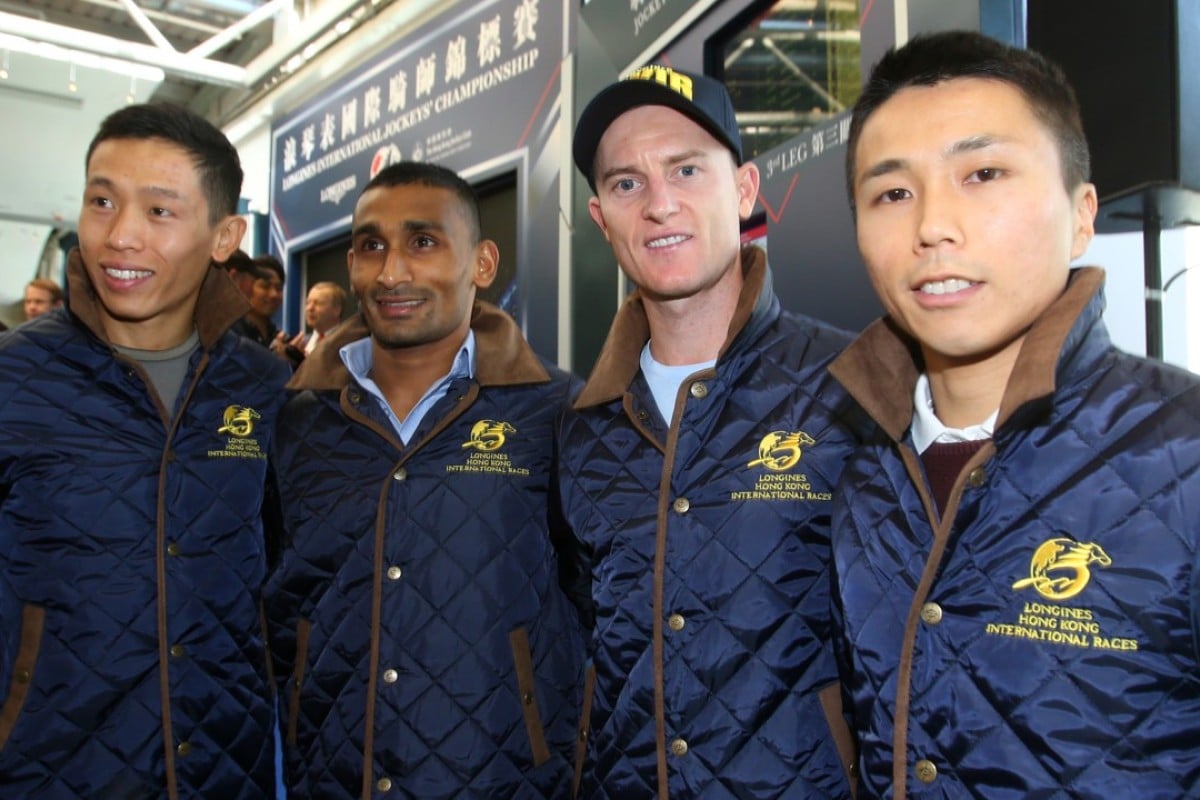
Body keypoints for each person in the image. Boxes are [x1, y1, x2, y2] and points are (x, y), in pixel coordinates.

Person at [830, 30, 1200, 799]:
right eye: (892, 192)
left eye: (983, 173)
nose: (933, 226)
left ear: (1082, 212)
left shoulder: (1183, 451)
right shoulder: (860, 469)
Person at [560, 65, 858, 798]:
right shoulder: (582, 426)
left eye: (687, 169)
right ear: (602, 219)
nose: (660, 204)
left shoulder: (851, 384)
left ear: (746, 190)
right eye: (627, 184)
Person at [264, 161, 585, 798]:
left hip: (502, 776)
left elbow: (592, 597)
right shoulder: (296, 419)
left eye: (423, 242)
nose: (391, 273)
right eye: (370, 247)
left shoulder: (554, 411)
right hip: (329, 774)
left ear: (483, 263)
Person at [0, 102, 290, 798]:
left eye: (159, 211)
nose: (119, 235)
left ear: (225, 236)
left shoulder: (265, 386)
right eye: (102, 200)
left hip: (226, 766)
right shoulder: (14, 379)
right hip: (50, 768)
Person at [289, 280, 347, 355]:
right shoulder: (301, 345)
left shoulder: (348, 343)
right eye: (308, 302)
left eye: (318, 303)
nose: (309, 308)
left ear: (337, 310)